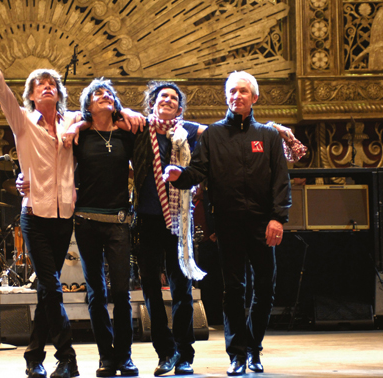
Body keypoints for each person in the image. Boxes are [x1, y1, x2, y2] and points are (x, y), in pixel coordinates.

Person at [164, 71, 292, 375]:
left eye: (243, 91)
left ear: (254, 98)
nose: (237, 96)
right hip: (228, 223)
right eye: (232, 91)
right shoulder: (212, 136)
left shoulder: (269, 136)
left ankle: (254, 348)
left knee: (265, 287)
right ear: (226, 97)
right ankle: (236, 354)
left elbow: (280, 181)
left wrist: (277, 218)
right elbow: (197, 171)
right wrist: (179, 177)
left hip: (263, 223)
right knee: (234, 289)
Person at [0, 33, 80, 378]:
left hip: (64, 214)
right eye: (39, 85)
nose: (46, 87)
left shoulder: (71, 122)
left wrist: (78, 124)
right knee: (52, 286)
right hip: (33, 214)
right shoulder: (22, 121)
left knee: (45, 289)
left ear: (59, 93)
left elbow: (101, 113)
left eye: (51, 83)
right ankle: (68, 357)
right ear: (32, 95)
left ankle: (33, 357)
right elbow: (1, 92)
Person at [132, 81, 205, 376]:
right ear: (152, 104)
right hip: (147, 219)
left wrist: (275, 129)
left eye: (174, 98)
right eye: (163, 96)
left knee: (182, 290)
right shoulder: (139, 129)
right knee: (150, 288)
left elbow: (220, 133)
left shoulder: (187, 131)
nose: (168, 100)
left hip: (179, 219)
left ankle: (185, 353)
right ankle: (166, 352)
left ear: (180, 107)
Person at [72, 78, 139, 377]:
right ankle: (105, 357)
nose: (104, 96)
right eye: (97, 94)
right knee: (96, 293)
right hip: (85, 221)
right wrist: (76, 124)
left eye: (109, 93)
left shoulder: (127, 135)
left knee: (122, 293)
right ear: (88, 104)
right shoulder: (81, 135)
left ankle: (124, 356)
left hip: (118, 222)